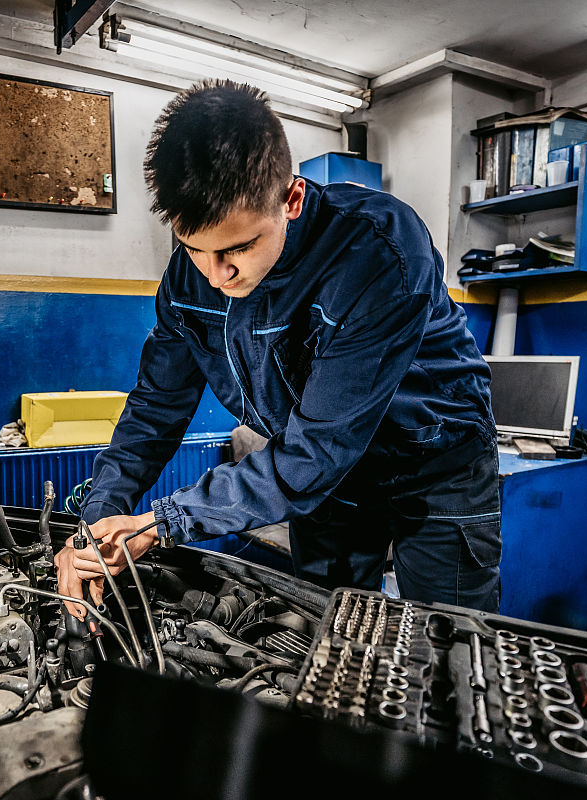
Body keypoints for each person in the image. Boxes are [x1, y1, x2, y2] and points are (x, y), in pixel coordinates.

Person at [54, 80, 500, 619]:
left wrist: (165, 521)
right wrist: (94, 525)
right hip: (328, 488)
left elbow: (315, 453)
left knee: (448, 640)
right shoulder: (186, 282)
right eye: (195, 249)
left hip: (434, 468)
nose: (217, 275)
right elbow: (154, 412)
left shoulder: (380, 253)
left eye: (239, 247)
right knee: (324, 628)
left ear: (290, 199)